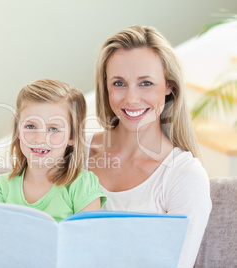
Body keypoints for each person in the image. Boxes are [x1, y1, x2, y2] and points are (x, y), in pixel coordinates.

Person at [0, 79, 106, 268]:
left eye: (53, 129)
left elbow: (89, 253)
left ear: (72, 137)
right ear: (18, 131)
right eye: (30, 126)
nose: (39, 138)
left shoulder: (83, 185)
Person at [86, 25, 211, 268]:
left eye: (146, 83)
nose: (131, 98)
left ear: (169, 87)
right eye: (119, 83)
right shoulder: (74, 151)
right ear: (106, 88)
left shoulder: (183, 176)